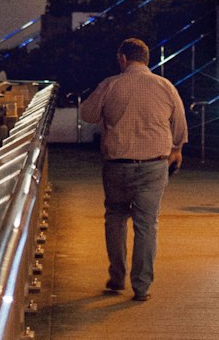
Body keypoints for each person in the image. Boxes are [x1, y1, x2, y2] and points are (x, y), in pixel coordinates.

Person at [80, 37, 187, 303]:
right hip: (154, 165)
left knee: (115, 217)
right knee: (147, 225)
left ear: (123, 59)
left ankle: (117, 277)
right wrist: (176, 150)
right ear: (146, 59)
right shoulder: (166, 87)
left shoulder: (110, 84)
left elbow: (88, 114)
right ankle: (141, 286)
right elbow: (180, 125)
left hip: (117, 165)